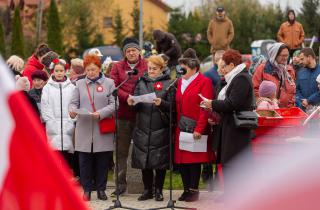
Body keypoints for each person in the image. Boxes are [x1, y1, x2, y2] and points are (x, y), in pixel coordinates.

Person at [200, 49, 254, 195]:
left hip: (237, 127)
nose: (219, 70)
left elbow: (232, 104)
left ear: (231, 65)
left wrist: (212, 104)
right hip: (229, 125)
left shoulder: (241, 78)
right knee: (228, 161)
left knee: (234, 162)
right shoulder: (234, 78)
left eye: (222, 66)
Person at [69, 55, 116, 201]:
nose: (90, 72)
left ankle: (101, 190)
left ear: (99, 68)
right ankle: (87, 190)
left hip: (102, 128)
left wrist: (101, 113)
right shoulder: (79, 84)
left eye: (93, 69)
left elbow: (114, 104)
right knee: (84, 162)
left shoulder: (109, 83)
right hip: (84, 128)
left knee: (102, 162)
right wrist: (71, 110)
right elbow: (73, 102)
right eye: (88, 70)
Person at [127, 55, 173, 201]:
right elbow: (136, 104)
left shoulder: (169, 83)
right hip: (143, 127)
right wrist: (132, 102)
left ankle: (158, 190)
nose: (151, 71)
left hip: (160, 128)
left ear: (161, 69)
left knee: (159, 161)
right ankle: (147, 190)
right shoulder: (141, 83)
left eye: (154, 68)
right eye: (149, 68)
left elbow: (174, 107)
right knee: (144, 161)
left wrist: (163, 103)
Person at [109, 37, 148, 196]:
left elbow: (150, 82)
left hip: (143, 114)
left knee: (144, 150)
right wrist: (127, 97)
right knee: (121, 151)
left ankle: (148, 186)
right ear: (125, 53)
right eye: (128, 51)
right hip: (123, 115)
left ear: (139, 51)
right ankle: (120, 185)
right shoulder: (117, 67)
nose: (131, 53)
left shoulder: (146, 65)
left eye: (134, 50)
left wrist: (139, 97)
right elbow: (113, 87)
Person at [174, 48, 214, 202]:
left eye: (185, 66)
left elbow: (205, 108)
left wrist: (200, 128)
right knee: (182, 160)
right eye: (181, 66)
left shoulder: (204, 82)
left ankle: (194, 190)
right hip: (181, 127)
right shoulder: (179, 82)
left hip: (196, 127)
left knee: (193, 160)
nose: (182, 69)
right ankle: (185, 189)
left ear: (194, 68)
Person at [41, 58, 75, 170]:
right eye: (57, 71)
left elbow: (74, 105)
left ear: (65, 71)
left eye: (61, 71)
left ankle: (67, 179)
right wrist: (50, 121)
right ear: (53, 72)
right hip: (53, 126)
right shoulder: (47, 88)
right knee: (54, 155)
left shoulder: (72, 88)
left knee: (66, 155)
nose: (59, 73)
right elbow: (45, 106)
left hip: (68, 125)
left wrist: (72, 120)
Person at [252, 42, 296, 108]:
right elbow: (254, 88)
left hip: (286, 111)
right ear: (274, 55)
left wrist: (292, 102)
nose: (285, 58)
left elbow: (294, 90)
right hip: (267, 110)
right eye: (282, 55)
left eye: (286, 55)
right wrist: (260, 100)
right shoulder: (263, 68)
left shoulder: (289, 70)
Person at [296, 48, 320, 112]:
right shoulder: (300, 72)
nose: (300, 62)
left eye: (302, 59)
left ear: (309, 57)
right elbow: (297, 89)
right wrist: (301, 102)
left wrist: (309, 100)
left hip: (317, 111)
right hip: (303, 110)